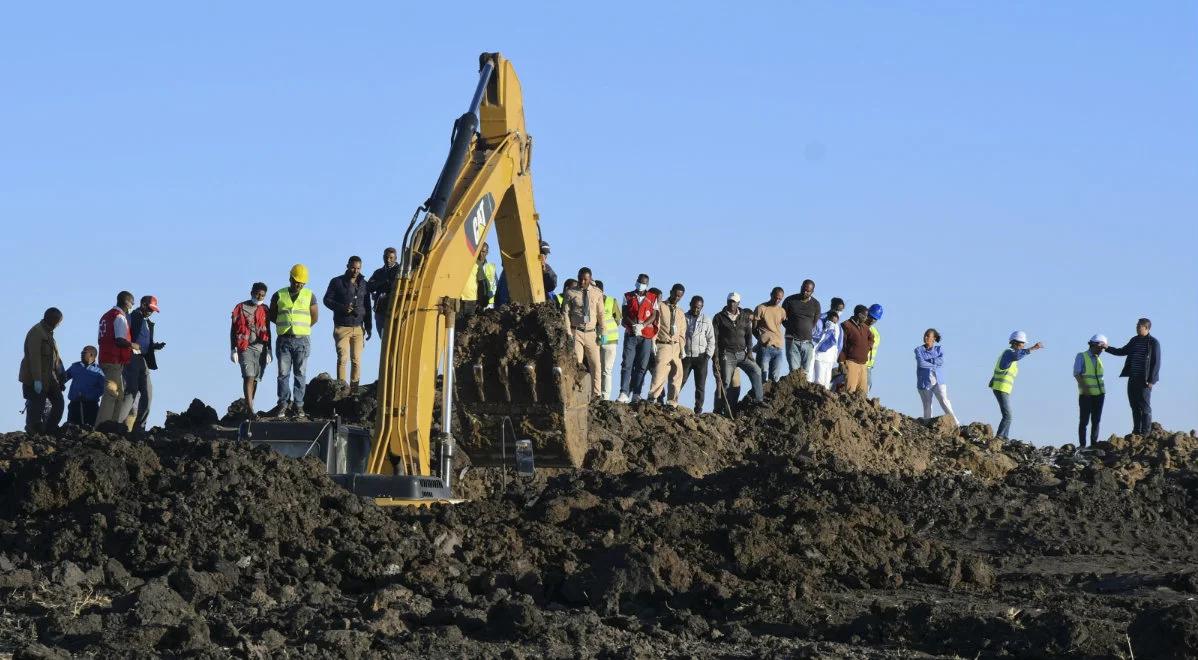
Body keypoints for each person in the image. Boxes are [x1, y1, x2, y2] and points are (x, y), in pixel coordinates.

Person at [270, 264, 319, 418]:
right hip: (284, 339)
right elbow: (272, 315)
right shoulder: (279, 295)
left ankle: (299, 405)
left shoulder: (310, 295)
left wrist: (301, 328)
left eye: (302, 282)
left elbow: (314, 317)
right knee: (283, 374)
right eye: (296, 281)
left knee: (300, 374)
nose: (299, 284)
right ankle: (283, 404)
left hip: (302, 340)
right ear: (290, 278)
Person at [1104, 318, 1162, 435]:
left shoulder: (1153, 343)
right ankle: (1136, 431)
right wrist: (1106, 348)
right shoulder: (1134, 340)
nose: (1136, 327)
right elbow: (1122, 351)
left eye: (1139, 326)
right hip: (1133, 378)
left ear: (1146, 328)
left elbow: (1156, 362)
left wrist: (1151, 380)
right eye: (1137, 325)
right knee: (1134, 405)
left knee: (1144, 406)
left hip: (1144, 380)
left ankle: (1145, 433)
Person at [323, 256, 372, 389]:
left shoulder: (364, 284)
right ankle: (342, 388)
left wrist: (369, 326)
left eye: (358, 268)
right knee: (343, 358)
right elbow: (327, 300)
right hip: (342, 327)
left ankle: (354, 389)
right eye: (353, 267)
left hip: (358, 327)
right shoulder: (336, 282)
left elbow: (367, 306)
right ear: (347, 266)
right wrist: (343, 308)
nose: (355, 271)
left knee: (356, 360)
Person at [120, 295, 165, 432]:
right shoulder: (133, 317)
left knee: (147, 393)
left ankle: (139, 428)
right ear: (143, 305)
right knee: (131, 391)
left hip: (142, 360)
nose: (151, 312)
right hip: (131, 357)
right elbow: (127, 338)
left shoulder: (145, 321)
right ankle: (118, 424)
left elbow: (143, 342)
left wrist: (154, 346)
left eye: (153, 310)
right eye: (150, 308)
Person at [712, 292, 764, 410]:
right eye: (730, 301)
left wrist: (750, 351)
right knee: (725, 382)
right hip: (727, 354)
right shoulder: (719, 317)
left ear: (738, 303)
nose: (732, 303)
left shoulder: (744, 317)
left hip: (742, 354)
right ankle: (718, 409)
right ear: (727, 301)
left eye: (734, 301)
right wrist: (715, 355)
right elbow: (715, 337)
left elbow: (749, 335)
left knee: (756, 371)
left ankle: (759, 399)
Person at [989, 330, 1044, 439]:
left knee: (1008, 416)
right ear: (1015, 343)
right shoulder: (1009, 353)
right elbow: (1017, 356)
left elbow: (1017, 356)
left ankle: (1005, 438)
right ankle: (1000, 437)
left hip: (1003, 389)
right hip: (1001, 388)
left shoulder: (1011, 354)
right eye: (1021, 343)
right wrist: (1033, 348)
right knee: (1008, 416)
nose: (1023, 345)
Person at [562, 268, 606, 398]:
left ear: (590, 279)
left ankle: (596, 394)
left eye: (585, 279)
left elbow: (601, 314)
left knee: (596, 365)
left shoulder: (597, 293)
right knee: (577, 363)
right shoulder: (571, 293)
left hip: (592, 333)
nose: (582, 281)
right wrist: (569, 332)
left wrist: (603, 332)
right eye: (580, 278)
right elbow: (565, 313)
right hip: (577, 332)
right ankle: (576, 392)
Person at [231, 283, 273, 416]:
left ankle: (250, 405)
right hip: (245, 347)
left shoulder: (265, 309)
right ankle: (250, 410)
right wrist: (233, 349)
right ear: (252, 292)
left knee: (255, 379)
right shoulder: (240, 307)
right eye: (257, 294)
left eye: (262, 295)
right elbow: (233, 330)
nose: (259, 297)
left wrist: (270, 349)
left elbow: (268, 330)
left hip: (261, 347)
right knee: (248, 377)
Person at [20, 307, 64, 433]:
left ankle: (49, 429)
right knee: (36, 406)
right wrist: (37, 380)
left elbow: (55, 357)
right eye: (58, 321)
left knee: (59, 402)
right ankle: (33, 431)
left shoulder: (49, 334)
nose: (59, 324)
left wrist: (61, 374)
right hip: (35, 377)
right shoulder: (37, 333)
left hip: (49, 377)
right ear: (50, 319)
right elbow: (35, 358)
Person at [96, 291, 136, 428]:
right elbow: (119, 340)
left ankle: (112, 426)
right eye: (132, 303)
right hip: (113, 360)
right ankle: (102, 426)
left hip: (105, 357)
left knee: (119, 395)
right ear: (126, 302)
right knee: (111, 393)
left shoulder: (106, 316)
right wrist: (132, 345)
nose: (132, 307)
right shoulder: (119, 317)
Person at [617, 274, 659, 403]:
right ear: (636, 282)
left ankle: (636, 393)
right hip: (631, 334)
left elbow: (654, 314)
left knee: (642, 366)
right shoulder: (628, 296)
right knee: (627, 364)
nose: (642, 284)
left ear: (647, 284)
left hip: (646, 335)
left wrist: (643, 325)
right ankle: (624, 392)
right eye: (640, 282)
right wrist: (634, 325)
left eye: (644, 283)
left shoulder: (653, 297)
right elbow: (624, 314)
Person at [648, 284, 687, 406]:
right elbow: (656, 326)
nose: (676, 297)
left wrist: (682, 348)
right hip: (663, 344)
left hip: (675, 346)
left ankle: (672, 402)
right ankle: (652, 397)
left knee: (677, 374)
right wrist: (653, 342)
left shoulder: (680, 312)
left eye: (679, 296)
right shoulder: (660, 307)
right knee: (660, 372)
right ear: (671, 292)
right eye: (675, 294)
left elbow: (682, 333)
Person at [681, 295, 715, 413]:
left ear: (702, 307)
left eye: (699, 308)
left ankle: (698, 409)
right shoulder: (683, 317)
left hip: (701, 357)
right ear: (690, 304)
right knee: (680, 380)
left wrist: (707, 356)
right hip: (686, 356)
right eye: (695, 307)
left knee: (700, 386)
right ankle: (673, 402)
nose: (696, 309)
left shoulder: (706, 319)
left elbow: (711, 339)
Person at [915, 328, 957, 424]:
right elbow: (921, 363)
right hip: (924, 383)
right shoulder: (918, 350)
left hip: (939, 381)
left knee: (944, 401)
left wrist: (928, 361)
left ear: (934, 338)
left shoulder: (939, 349)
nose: (925, 337)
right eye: (925, 335)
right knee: (927, 405)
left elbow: (941, 361)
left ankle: (956, 424)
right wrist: (934, 364)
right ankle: (927, 425)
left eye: (928, 336)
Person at [782, 280, 820, 380]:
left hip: (808, 342)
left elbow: (814, 322)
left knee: (805, 372)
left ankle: (802, 394)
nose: (805, 292)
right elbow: (782, 318)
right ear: (801, 287)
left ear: (812, 291)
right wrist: (791, 328)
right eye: (803, 289)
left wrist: (805, 329)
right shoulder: (789, 300)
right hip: (792, 340)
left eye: (808, 291)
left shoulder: (816, 304)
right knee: (794, 372)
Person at [1074, 334, 1108, 447]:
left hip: (1099, 395)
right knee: (1084, 421)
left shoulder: (1098, 359)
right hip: (1086, 395)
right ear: (1095, 345)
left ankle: (1093, 444)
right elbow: (1077, 374)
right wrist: (1085, 389)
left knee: (1096, 420)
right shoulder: (1082, 356)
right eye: (1101, 348)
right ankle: (1082, 445)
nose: (1102, 350)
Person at [63, 345, 104, 426]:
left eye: (84, 352)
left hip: (90, 406)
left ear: (92, 355)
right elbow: (64, 377)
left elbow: (102, 389)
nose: (81, 354)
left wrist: (88, 396)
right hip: (74, 405)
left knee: (90, 429)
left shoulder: (99, 371)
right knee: (71, 429)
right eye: (81, 352)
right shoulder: (75, 366)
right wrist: (60, 383)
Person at [838, 305, 874, 395]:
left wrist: (867, 347)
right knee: (850, 390)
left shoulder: (865, 328)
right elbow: (841, 345)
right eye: (865, 316)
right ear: (859, 315)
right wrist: (841, 362)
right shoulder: (846, 325)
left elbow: (871, 338)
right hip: (851, 362)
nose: (866, 318)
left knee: (862, 392)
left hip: (863, 364)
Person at [753, 287, 787, 382]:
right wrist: (762, 339)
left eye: (780, 299)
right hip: (765, 348)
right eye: (775, 297)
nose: (777, 300)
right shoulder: (761, 308)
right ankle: (759, 396)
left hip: (778, 348)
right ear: (771, 294)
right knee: (762, 377)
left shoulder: (782, 311)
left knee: (775, 379)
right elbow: (754, 328)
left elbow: (787, 324)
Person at [595, 280, 621, 399]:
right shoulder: (590, 302)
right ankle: (596, 394)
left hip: (609, 341)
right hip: (595, 341)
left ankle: (605, 397)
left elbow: (618, 320)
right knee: (596, 369)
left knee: (606, 370)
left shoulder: (611, 301)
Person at [367, 247, 399, 344]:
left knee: (396, 340)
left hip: (396, 310)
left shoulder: (400, 271)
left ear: (395, 258)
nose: (388, 260)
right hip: (381, 310)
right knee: (384, 340)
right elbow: (369, 286)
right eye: (386, 257)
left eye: (391, 258)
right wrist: (383, 283)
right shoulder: (378, 272)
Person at [460, 243, 497, 323]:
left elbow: (486, 284)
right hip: (468, 300)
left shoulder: (489, 267)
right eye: (479, 251)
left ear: (487, 252)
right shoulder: (472, 262)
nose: (481, 254)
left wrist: (484, 301)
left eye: (483, 252)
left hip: (484, 303)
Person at [811, 310, 842, 389]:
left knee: (827, 382)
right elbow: (818, 341)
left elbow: (837, 344)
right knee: (819, 381)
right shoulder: (821, 326)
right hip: (820, 357)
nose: (833, 324)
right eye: (832, 321)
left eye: (835, 322)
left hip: (830, 359)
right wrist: (826, 331)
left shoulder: (837, 329)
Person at [865, 303, 883, 391]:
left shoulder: (876, 334)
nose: (872, 320)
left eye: (875, 318)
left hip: (868, 366)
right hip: (858, 363)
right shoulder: (859, 328)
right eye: (871, 316)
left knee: (867, 386)